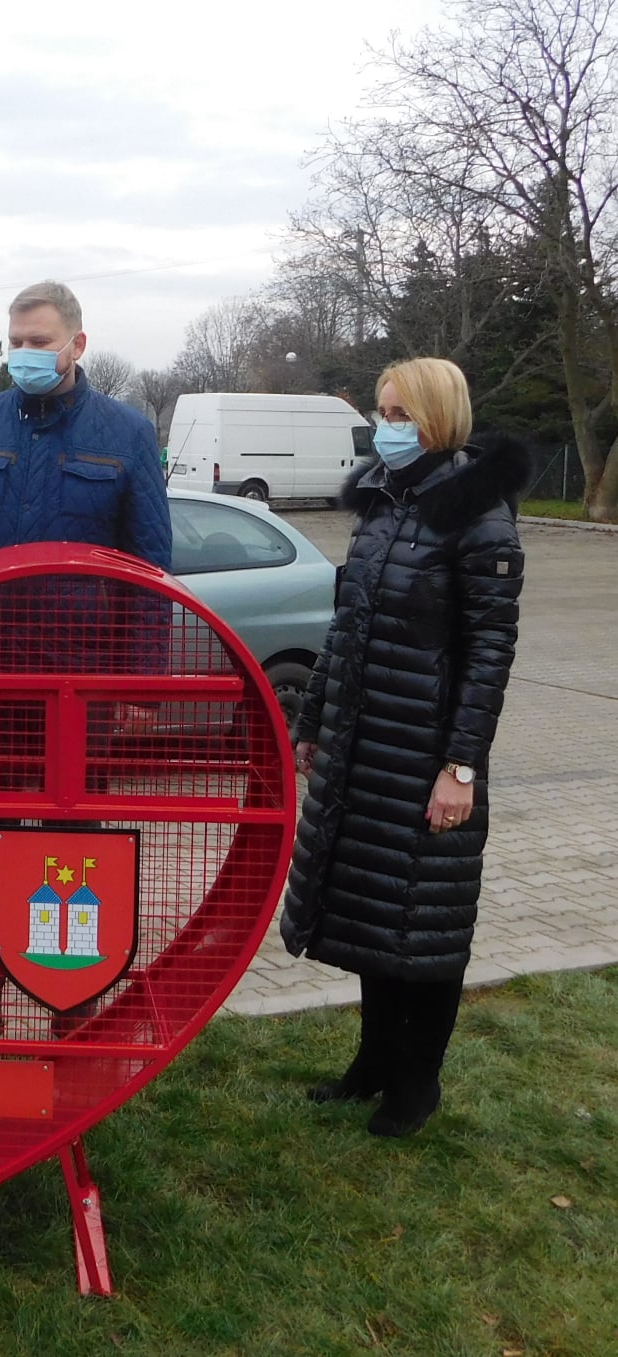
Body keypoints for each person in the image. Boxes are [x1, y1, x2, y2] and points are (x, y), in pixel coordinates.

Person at [0, 280, 172, 1038]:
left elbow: (150, 563)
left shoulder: (125, 433)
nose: (25, 353)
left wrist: (139, 680)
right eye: (16, 341)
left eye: (40, 341)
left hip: (80, 681)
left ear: (76, 345)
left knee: (74, 842)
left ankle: (71, 997)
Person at [281, 358, 527, 1137]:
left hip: (426, 757)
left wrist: (461, 767)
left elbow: (491, 650)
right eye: (381, 411)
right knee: (372, 917)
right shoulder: (383, 507)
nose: (383, 425)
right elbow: (346, 631)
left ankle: (418, 1085)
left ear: (436, 419)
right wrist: (314, 720)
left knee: (426, 926)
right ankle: (374, 1062)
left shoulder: (477, 513)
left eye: (399, 412)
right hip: (364, 748)